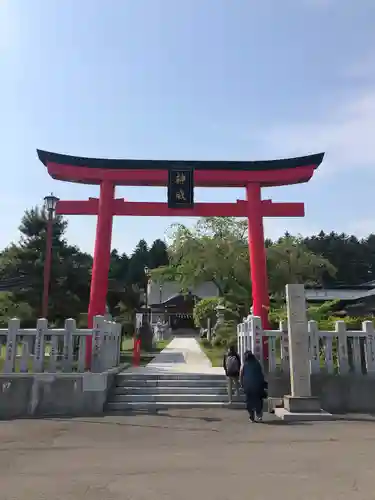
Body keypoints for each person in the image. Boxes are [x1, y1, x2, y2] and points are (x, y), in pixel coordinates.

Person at [240, 350, 266, 422]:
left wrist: (242, 384)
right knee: (258, 400)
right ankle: (259, 416)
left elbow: (241, 375)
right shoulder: (257, 363)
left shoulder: (244, 364)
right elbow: (262, 374)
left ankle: (252, 417)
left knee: (249, 401)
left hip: (248, 386)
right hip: (258, 386)